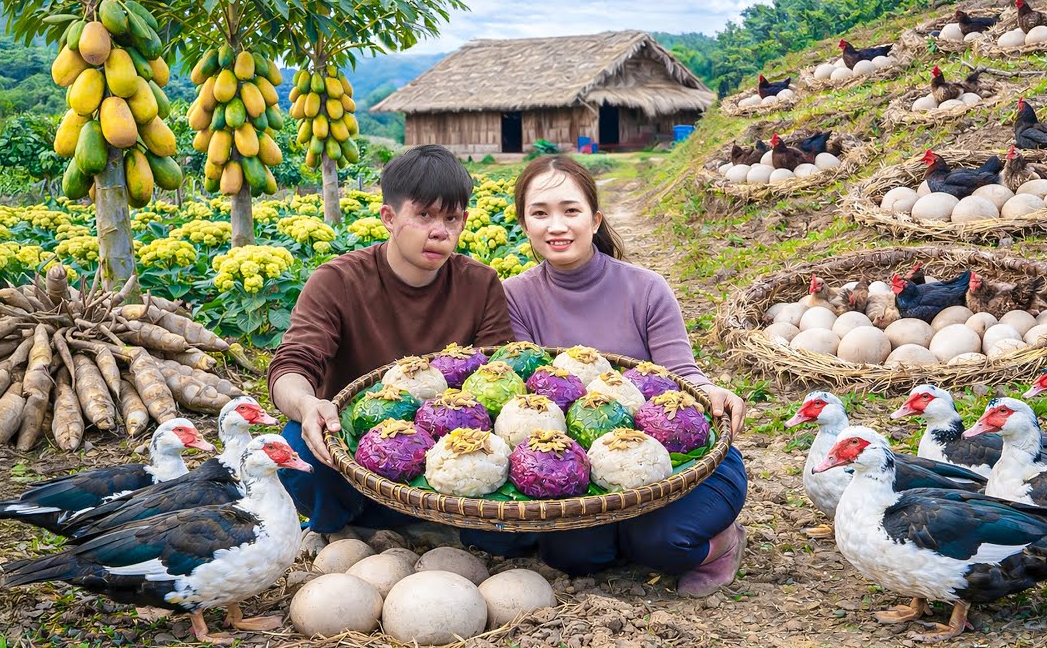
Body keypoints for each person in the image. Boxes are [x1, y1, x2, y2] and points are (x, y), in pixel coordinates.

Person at [502, 154, 749, 597]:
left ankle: (722, 543)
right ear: (525, 225)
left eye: (570, 210)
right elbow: (530, 396)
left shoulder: (645, 288)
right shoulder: (515, 296)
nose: (556, 225)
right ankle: (618, 534)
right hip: (579, 468)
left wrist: (713, 392)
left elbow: (681, 374)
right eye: (540, 213)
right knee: (575, 556)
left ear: (595, 220)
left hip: (673, 458)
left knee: (663, 543)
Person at [266, 144, 524, 553]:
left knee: (513, 540)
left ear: (464, 222)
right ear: (389, 217)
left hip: (452, 455)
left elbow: (502, 376)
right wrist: (306, 404)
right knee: (299, 448)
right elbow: (294, 363)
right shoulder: (338, 280)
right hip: (356, 449)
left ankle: (426, 521)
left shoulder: (480, 283)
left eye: (451, 218)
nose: (439, 231)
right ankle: (345, 524)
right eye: (424, 215)